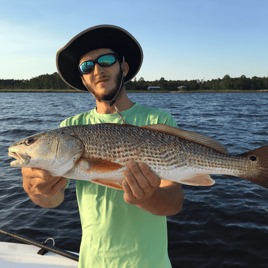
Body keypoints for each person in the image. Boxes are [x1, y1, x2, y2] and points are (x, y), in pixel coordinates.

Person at [22, 25, 184, 268]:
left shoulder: (159, 121)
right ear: (83, 78)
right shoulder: (70, 126)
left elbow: (174, 202)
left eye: (106, 60)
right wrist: (38, 191)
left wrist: (148, 197)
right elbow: (53, 200)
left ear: (124, 67)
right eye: (86, 66)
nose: (97, 70)